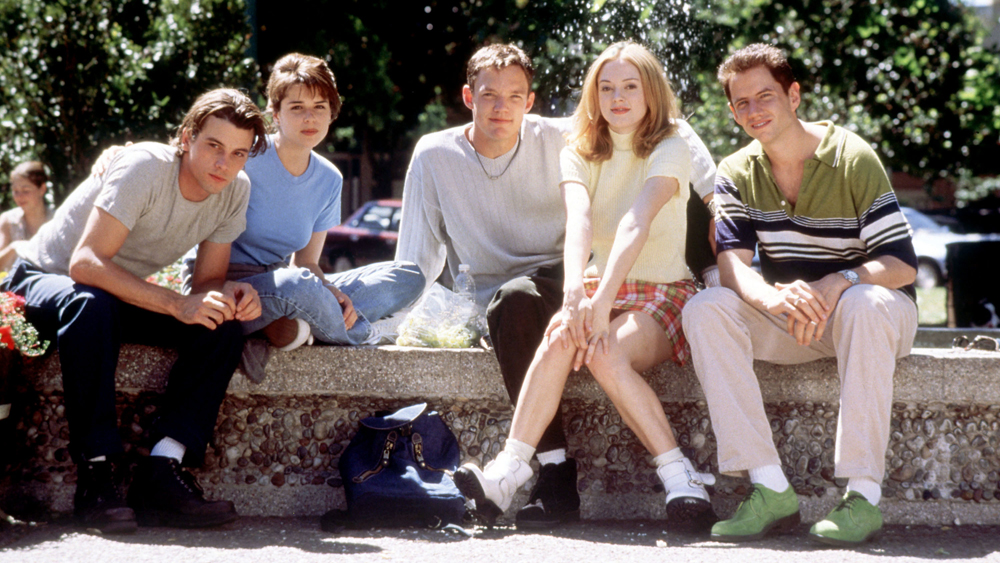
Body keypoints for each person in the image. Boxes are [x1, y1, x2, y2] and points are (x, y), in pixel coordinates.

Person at [397, 43, 719, 528]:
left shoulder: (668, 145)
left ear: (651, 92)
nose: (618, 97)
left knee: (605, 351)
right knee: (560, 335)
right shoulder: (582, 148)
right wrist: (574, 298)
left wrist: (718, 202)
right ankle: (506, 474)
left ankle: (679, 475)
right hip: (596, 284)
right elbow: (580, 221)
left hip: (659, 291)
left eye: (631, 86)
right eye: (606, 87)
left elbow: (636, 222)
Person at [0, 89, 268, 534]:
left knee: (221, 324)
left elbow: (203, 287)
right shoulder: (145, 166)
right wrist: (175, 303)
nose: (224, 164)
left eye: (238, 153)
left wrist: (230, 292)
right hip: (40, 277)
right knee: (90, 303)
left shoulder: (234, 190)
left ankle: (163, 471)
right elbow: (83, 263)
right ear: (187, 138)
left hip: (114, 289)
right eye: (214, 147)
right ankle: (96, 477)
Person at [681, 44, 919, 545]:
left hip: (868, 315)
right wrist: (773, 300)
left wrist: (837, 282)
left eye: (765, 95)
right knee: (706, 308)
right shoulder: (735, 172)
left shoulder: (851, 157)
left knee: (864, 302)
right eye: (741, 103)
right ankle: (768, 488)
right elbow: (731, 267)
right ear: (731, 110)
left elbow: (902, 266)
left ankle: (862, 496)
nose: (754, 111)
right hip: (797, 319)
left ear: (794, 95)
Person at [0, 161, 55, 271]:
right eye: (15, 191)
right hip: (15, 285)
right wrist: (14, 247)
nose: (19, 197)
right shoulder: (8, 220)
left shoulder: (56, 220)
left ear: (42, 189)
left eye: (26, 191)